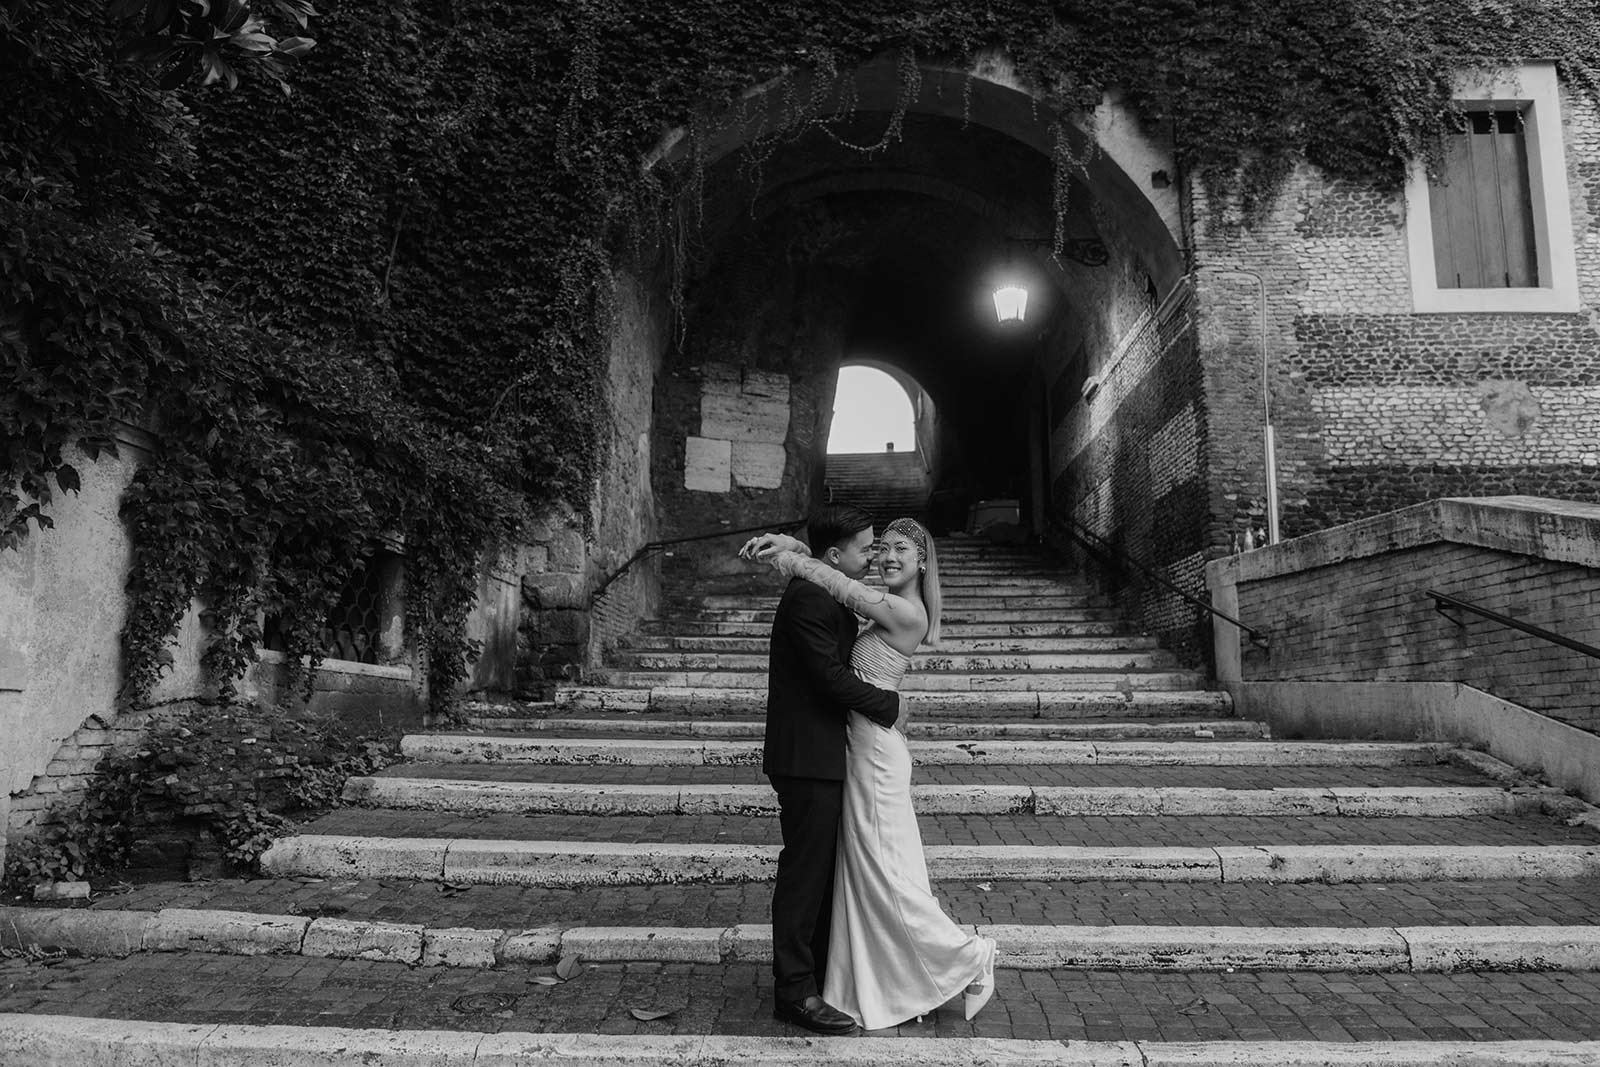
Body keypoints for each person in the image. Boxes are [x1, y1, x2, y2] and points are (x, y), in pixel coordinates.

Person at [741, 514, 998, 1031]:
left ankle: (965, 956)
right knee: (860, 868)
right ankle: (874, 975)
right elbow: (838, 581)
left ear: (923, 561)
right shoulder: (862, 600)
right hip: (847, 749)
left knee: (880, 867)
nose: (886, 557)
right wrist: (803, 548)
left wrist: (795, 553)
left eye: (900, 549)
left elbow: (838, 581)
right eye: (880, 548)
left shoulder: (905, 610)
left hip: (873, 751)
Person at [755, 504, 901, 1036]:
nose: (873, 555)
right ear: (835, 555)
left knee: (821, 871)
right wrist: (891, 707)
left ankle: (816, 975)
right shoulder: (809, 599)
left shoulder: (825, 590)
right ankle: (793, 993)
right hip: (806, 757)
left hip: (822, 753)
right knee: (805, 872)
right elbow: (828, 679)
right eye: (866, 547)